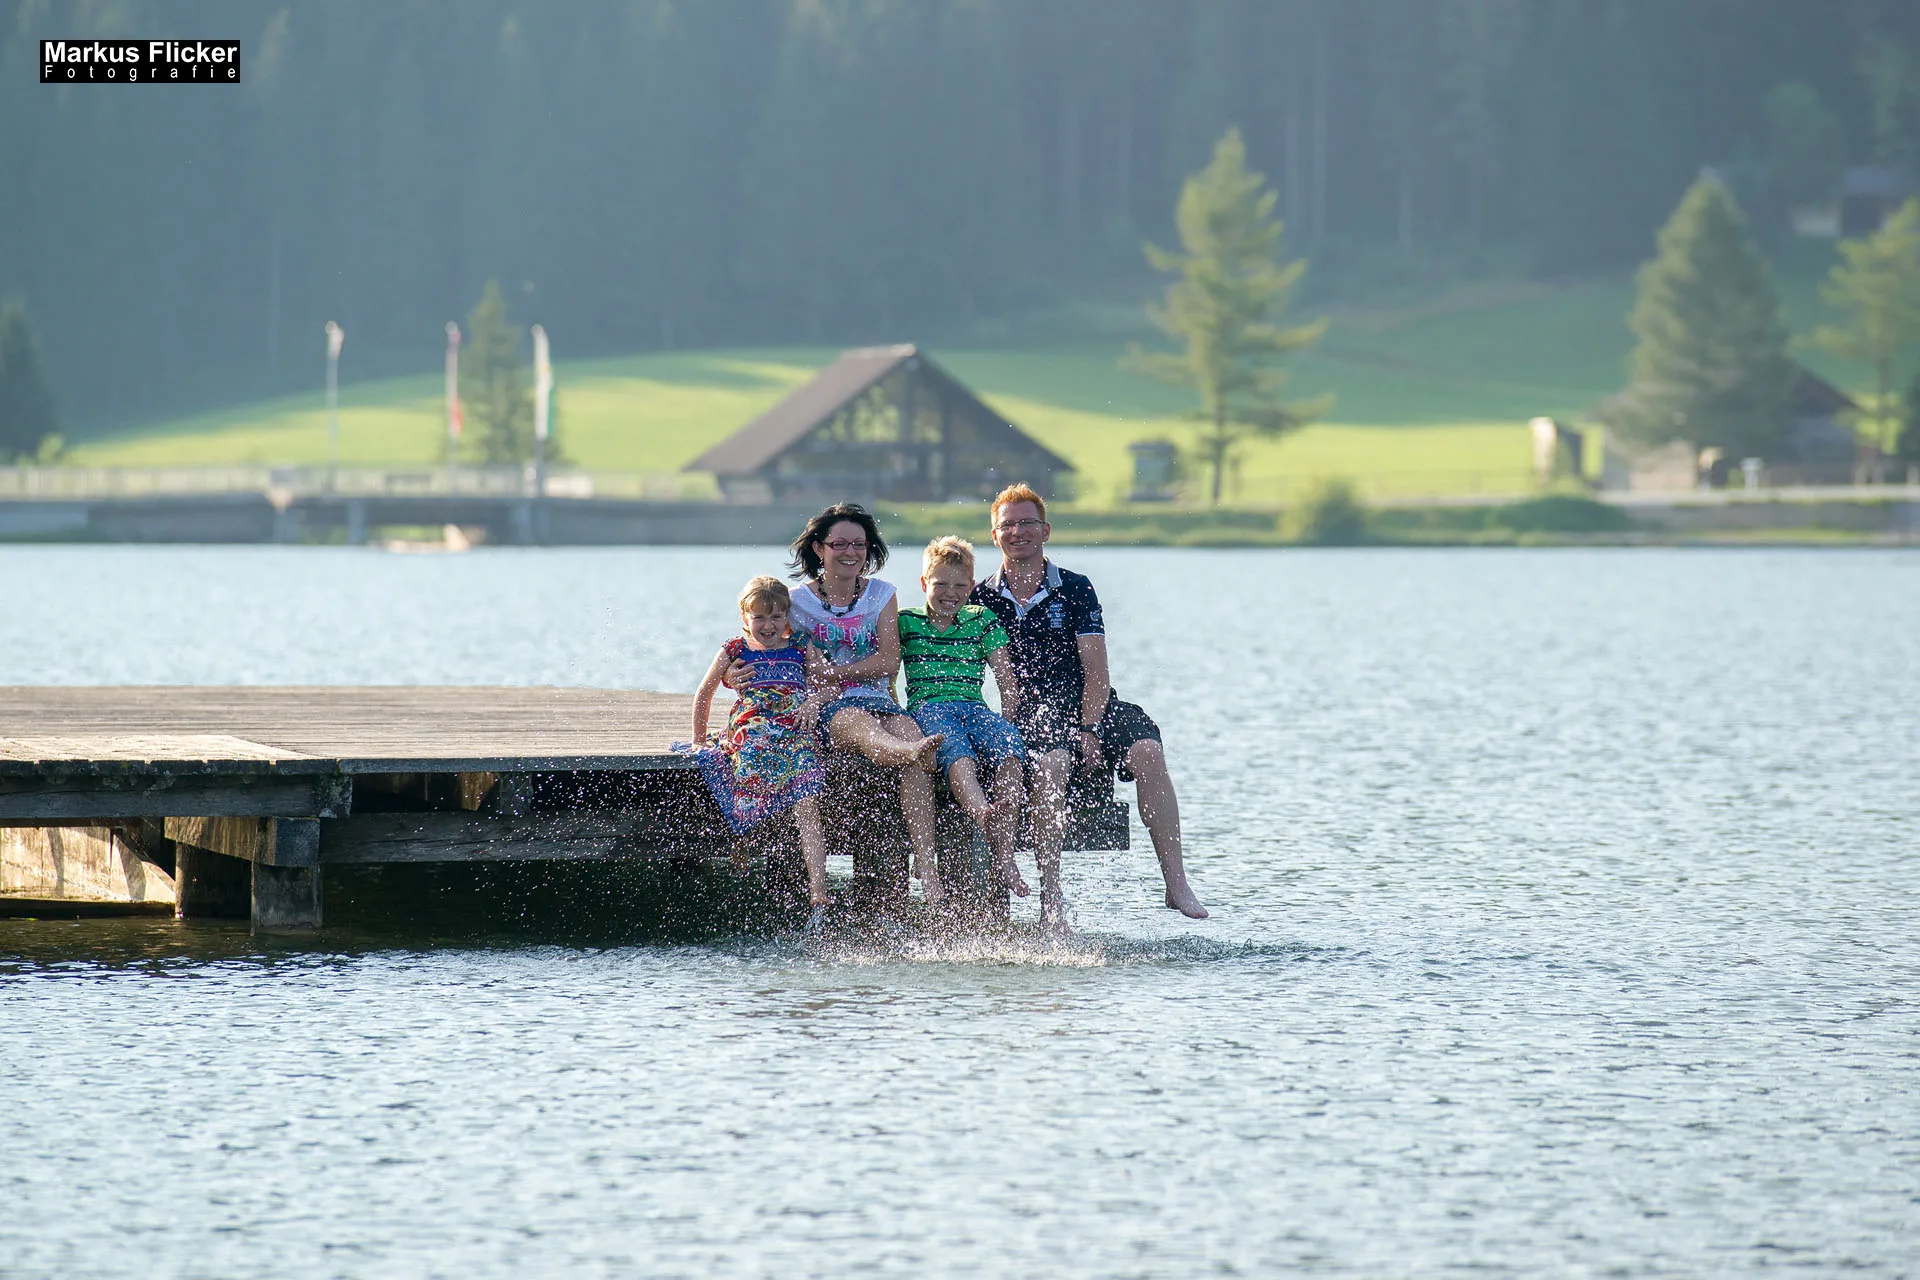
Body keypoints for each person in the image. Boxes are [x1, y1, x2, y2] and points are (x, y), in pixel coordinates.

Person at [972, 483, 1208, 923]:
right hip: (1032, 712)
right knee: (1053, 764)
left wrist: (1090, 728)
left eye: (1028, 523)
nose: (1018, 532)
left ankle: (1176, 884)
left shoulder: (1076, 588)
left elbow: (1097, 672)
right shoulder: (979, 598)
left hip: (1088, 702)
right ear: (994, 535)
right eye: (1008, 525)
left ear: (1046, 531)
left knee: (1148, 752)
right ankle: (1051, 899)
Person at [730, 503, 943, 901]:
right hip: (828, 704)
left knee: (912, 736)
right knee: (868, 730)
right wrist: (732, 674)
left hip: (878, 697)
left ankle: (927, 866)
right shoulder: (796, 601)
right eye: (839, 543)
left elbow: (889, 661)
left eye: (859, 544)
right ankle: (906, 750)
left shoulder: (882, 594)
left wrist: (835, 671)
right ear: (819, 548)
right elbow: (761, 640)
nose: (851, 552)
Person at [687, 576, 833, 927]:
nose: (769, 626)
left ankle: (819, 889)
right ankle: (743, 833)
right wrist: (698, 739)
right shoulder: (735, 649)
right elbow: (704, 692)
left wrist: (814, 702)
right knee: (749, 764)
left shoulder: (800, 645)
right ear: (745, 617)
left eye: (777, 617)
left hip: (794, 727)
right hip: (753, 726)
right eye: (760, 618)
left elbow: (830, 683)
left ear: (787, 617)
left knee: (807, 795)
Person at [897, 536, 1030, 902]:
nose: (950, 593)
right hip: (929, 707)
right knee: (957, 751)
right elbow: (887, 670)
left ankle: (1004, 856)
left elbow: (1006, 679)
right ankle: (981, 811)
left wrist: (1008, 720)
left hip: (974, 708)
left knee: (1010, 748)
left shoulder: (982, 620)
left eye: (959, 586)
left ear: (971, 586)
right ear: (924, 583)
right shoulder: (906, 622)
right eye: (940, 584)